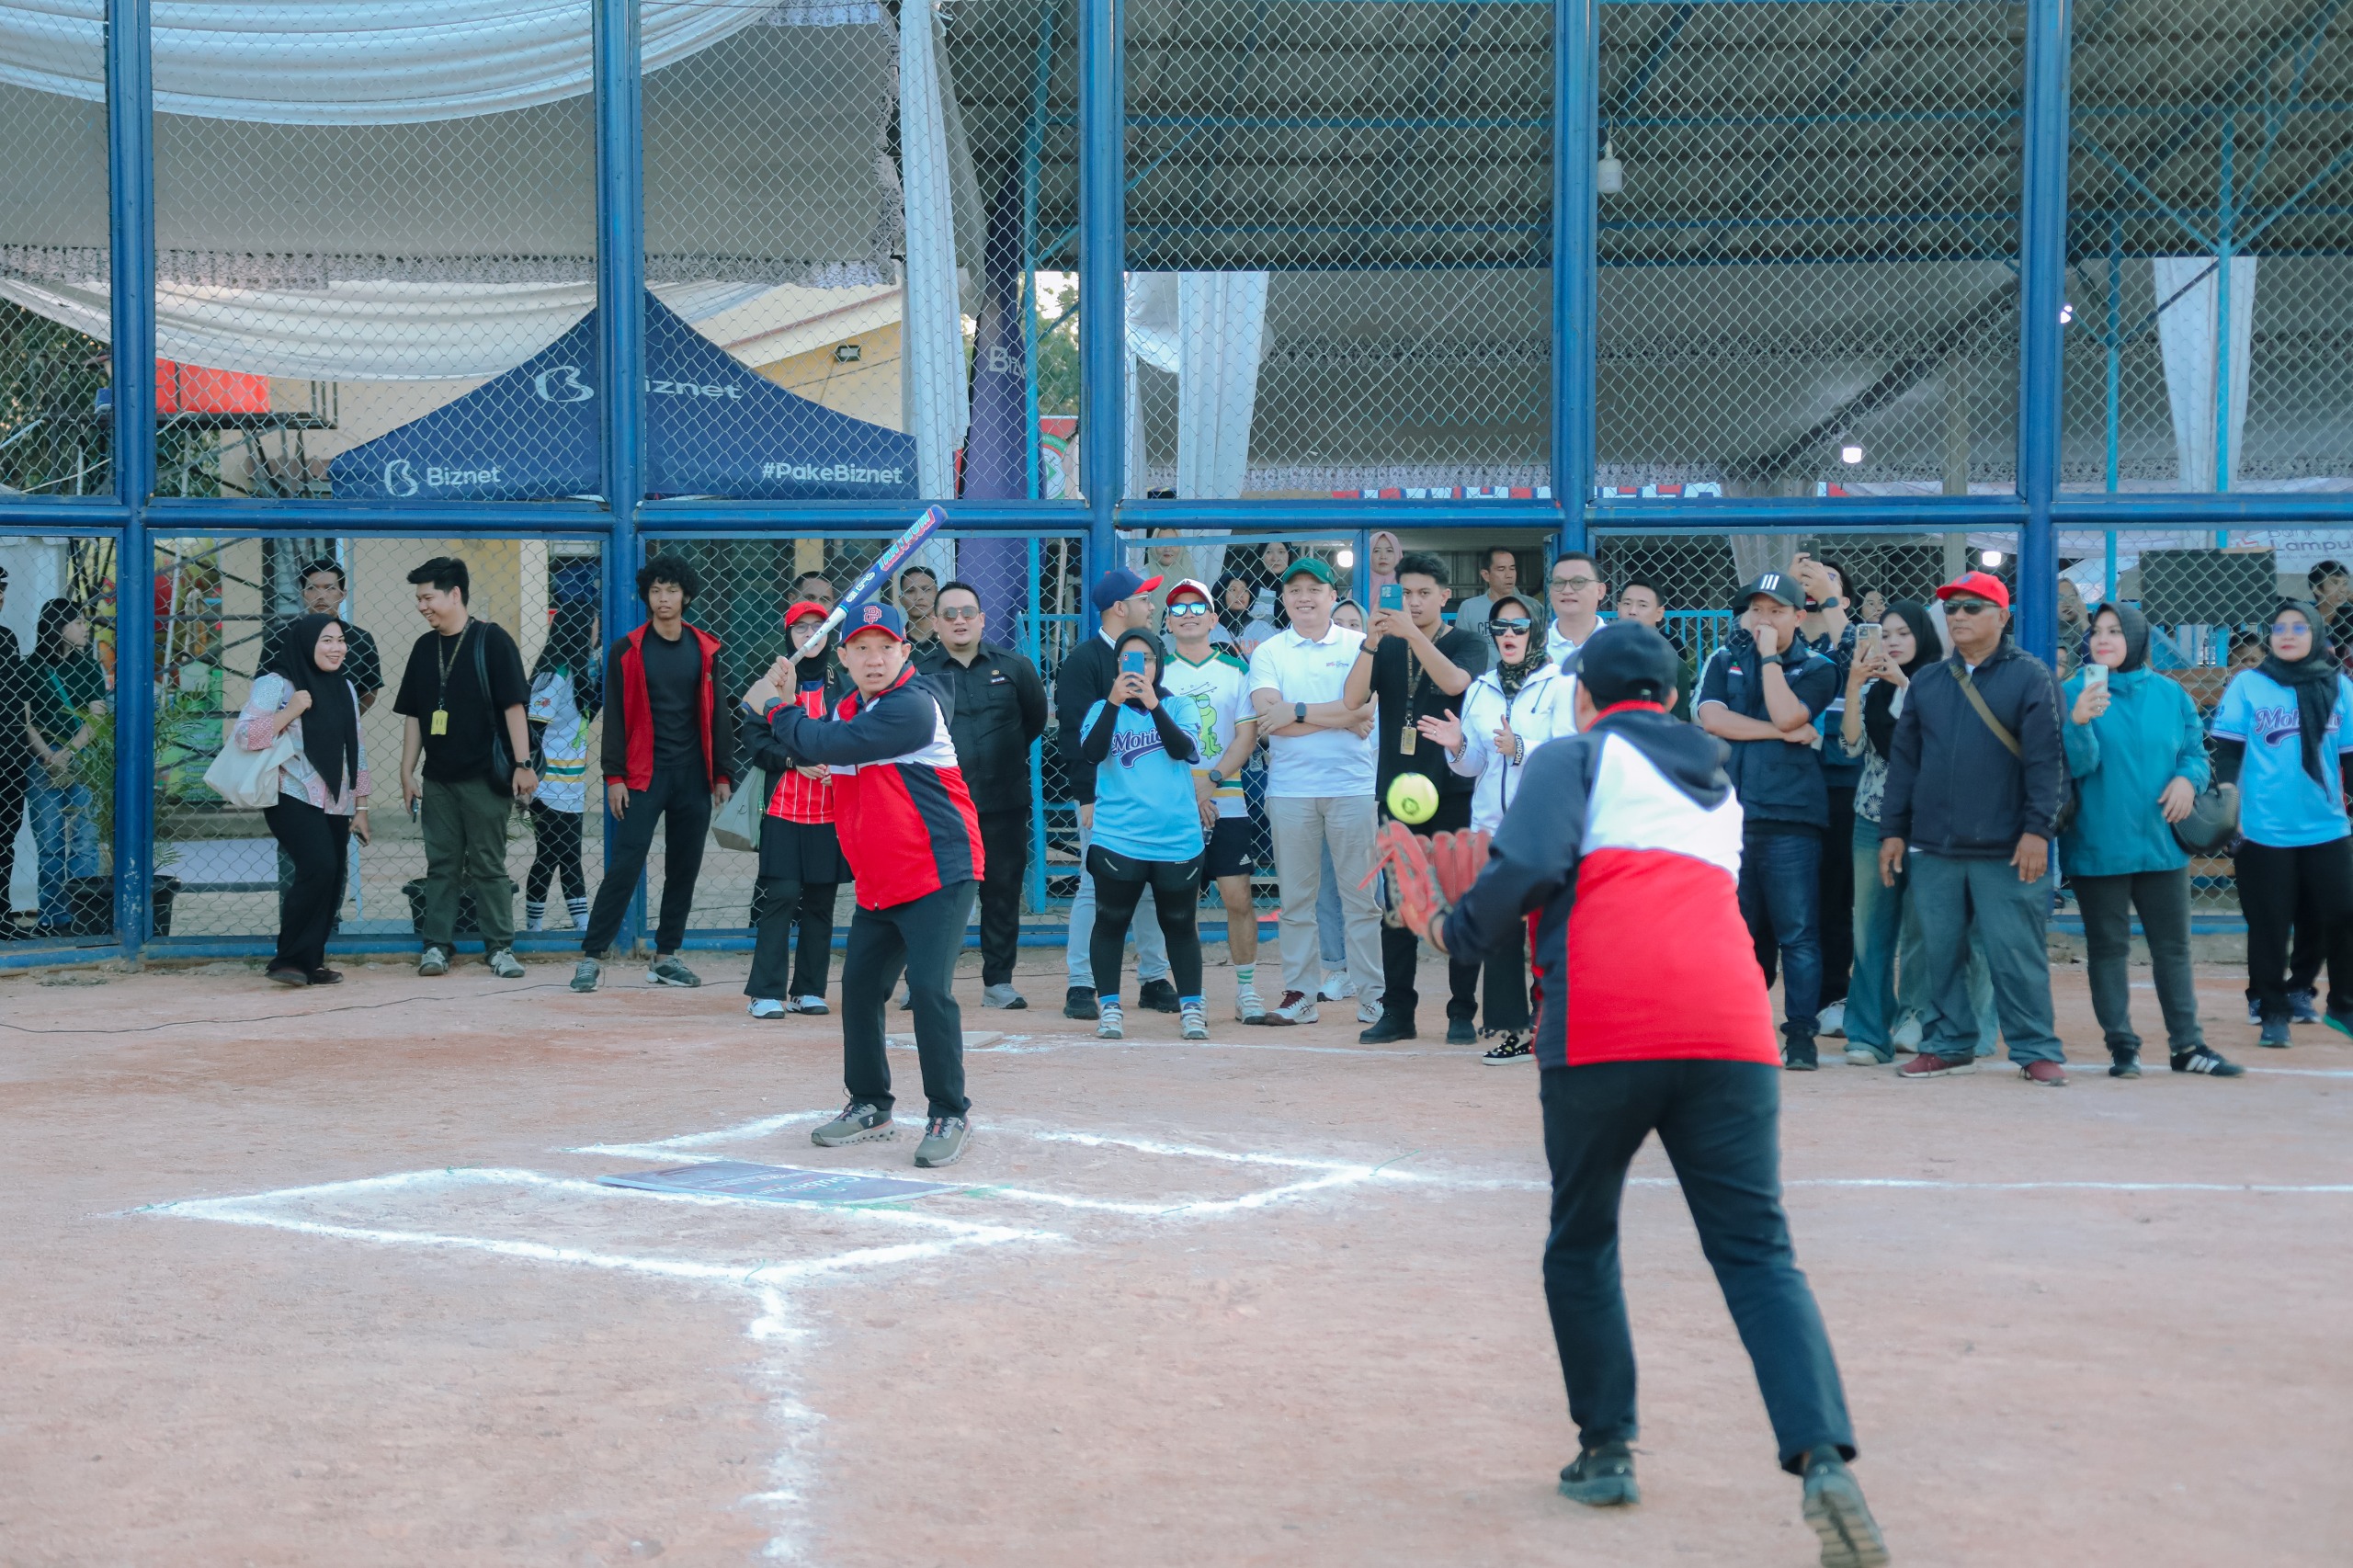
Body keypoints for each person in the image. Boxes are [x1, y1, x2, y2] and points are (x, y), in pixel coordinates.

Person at [1396, 622, 1886, 1566]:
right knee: (1758, 1253)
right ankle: (1823, 1457)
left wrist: (1452, 929)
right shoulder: (1717, 782)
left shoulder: (1572, 756)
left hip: (1606, 1022)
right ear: (1667, 696)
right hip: (1731, 1028)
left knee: (1582, 1238)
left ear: (1585, 695)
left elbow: (1532, 868)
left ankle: (1607, 1448)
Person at [750, 602, 983, 1171]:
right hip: (881, 878)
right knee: (858, 989)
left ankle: (949, 1112)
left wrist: (776, 706)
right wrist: (782, 703)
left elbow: (822, 744)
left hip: (938, 869)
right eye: (861, 648)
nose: (874, 659)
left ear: (905, 651)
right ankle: (871, 1104)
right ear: (845, 657)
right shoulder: (851, 707)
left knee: (928, 990)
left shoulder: (913, 705)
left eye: (885, 647)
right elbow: (813, 741)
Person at [1879, 570, 2070, 1085]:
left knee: (2016, 954)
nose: (1958, 616)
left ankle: (2035, 1049)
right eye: (1951, 608)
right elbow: (1905, 763)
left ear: (2002, 617)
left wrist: (2038, 831)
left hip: (2008, 848)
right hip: (1934, 846)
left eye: (1971, 607)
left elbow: (2049, 761)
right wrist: (1893, 830)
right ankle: (1947, 1044)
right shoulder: (1928, 681)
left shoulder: (2031, 677)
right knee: (1940, 954)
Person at [2061, 603, 2241, 1077]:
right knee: (2108, 949)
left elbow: (2195, 752)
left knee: (2173, 949)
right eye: (2096, 631)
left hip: (2163, 845)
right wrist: (2078, 722)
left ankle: (2188, 1047)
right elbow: (2076, 766)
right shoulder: (2073, 691)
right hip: (2099, 843)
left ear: (2137, 638)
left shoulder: (2169, 692)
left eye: (2115, 631)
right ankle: (2122, 1047)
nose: (2102, 639)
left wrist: (2187, 780)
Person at [1418, 590, 1574, 1062]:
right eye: (1500, 627)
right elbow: (1474, 767)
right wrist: (1457, 746)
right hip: (1491, 826)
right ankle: (1514, 1029)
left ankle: (1551, 1023)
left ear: (1536, 631)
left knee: (1547, 930)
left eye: (1518, 626)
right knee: (1501, 930)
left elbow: (1571, 749)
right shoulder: (1482, 688)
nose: (1508, 635)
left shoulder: (1560, 684)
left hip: (1543, 826)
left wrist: (1521, 747)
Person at [573, 555, 736, 993]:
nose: (664, 598)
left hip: (693, 776)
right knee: (625, 864)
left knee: (684, 867)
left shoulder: (705, 648)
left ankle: (666, 957)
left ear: (686, 596)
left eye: (672, 590)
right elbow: (614, 717)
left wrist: (722, 773)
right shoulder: (626, 650)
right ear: (647, 596)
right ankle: (591, 957)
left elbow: (719, 712)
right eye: (656, 590)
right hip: (643, 776)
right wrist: (614, 776)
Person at [1698, 573, 1839, 1070]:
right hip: (1732, 819)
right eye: (1756, 610)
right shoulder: (1723, 660)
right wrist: (1781, 735)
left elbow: (1787, 713)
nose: (1763, 620)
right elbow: (1713, 720)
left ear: (1799, 617)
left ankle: (1800, 1035)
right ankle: (1742, 1030)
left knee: (1797, 933)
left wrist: (1769, 659)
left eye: (1776, 611)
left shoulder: (1818, 667)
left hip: (1790, 818)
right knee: (1738, 935)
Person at [1345, 550, 1483, 1043]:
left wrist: (1413, 635)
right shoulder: (1385, 645)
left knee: (1458, 901)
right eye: (1405, 594)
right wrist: (1370, 642)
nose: (1414, 602)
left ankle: (1461, 1012)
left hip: (1453, 791)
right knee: (1399, 906)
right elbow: (1352, 701)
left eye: (1425, 593)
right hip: (1397, 794)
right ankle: (1398, 1012)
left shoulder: (1467, 642)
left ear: (1445, 597)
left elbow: (1455, 682)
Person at [2211, 599, 2353, 1046]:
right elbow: (2228, 750)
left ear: (2317, 634)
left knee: (2342, 913)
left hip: (2326, 825)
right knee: (2270, 924)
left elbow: (2349, 758)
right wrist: (2229, 798)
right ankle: (2272, 1009)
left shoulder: (2339, 687)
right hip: (2263, 827)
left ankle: (2342, 1004)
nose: (2287, 634)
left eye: (2298, 627)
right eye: (2279, 628)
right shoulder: (2249, 684)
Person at [1246, 556, 1381, 1025]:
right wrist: (1343, 715)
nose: (1304, 597)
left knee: (1361, 899)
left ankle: (1373, 995)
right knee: (1297, 902)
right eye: (1295, 590)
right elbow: (1270, 722)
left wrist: (1298, 711)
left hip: (1352, 787)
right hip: (1291, 791)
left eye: (1314, 589)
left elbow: (1367, 708)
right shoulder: (1269, 651)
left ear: (1332, 596)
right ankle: (1300, 994)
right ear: (1283, 599)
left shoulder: (1359, 644)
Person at [392, 557, 537, 977]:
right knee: (441, 866)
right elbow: (415, 715)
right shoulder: (424, 648)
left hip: (484, 777)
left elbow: (514, 706)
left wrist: (523, 764)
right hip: (438, 778)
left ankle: (500, 948)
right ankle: (436, 946)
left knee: (489, 865)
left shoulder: (492, 641)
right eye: (419, 599)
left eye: (428, 597)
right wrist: (407, 771)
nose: (422, 606)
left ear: (454, 594)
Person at [919, 580, 1049, 1010]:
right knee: (932, 894)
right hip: (939, 806)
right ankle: (924, 981)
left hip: (1003, 804)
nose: (959, 620)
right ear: (935, 623)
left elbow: (1034, 720)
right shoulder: (917, 674)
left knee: (1001, 892)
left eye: (968, 612)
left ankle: (998, 983)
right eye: (949, 614)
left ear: (982, 619)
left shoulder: (1015, 667)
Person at [1054, 566, 1177, 1019]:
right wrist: (1085, 795)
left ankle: (1154, 977)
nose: (1151, 605)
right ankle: (1082, 983)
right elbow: (1073, 735)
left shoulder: (1152, 652)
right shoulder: (1085, 660)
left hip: (1150, 796)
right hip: (1104, 796)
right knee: (1094, 886)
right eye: (1144, 599)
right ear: (1120, 608)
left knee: (1150, 885)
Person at [1078, 627, 1210, 1040]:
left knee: (1180, 923)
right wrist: (1114, 703)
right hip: (1119, 837)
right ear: (1117, 666)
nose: (1138, 668)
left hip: (1176, 837)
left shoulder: (1181, 704)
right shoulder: (1101, 708)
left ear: (1159, 664)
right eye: (1128, 660)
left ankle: (1192, 1008)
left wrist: (1153, 705)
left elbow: (1182, 749)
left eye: (1146, 659)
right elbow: (1092, 753)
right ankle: (1110, 1008)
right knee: (1110, 921)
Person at [234, 614, 369, 985]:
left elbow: (356, 748)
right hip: (290, 792)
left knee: (332, 877)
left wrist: (361, 806)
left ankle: (311, 961)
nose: (337, 648)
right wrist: (290, 711)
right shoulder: (275, 684)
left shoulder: (346, 687)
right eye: (327, 640)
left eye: (340, 641)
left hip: (335, 798)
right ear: (307, 644)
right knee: (319, 866)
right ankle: (288, 961)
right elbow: (244, 736)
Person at [1837, 601, 1940, 1064]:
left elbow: (1940, 741)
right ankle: (1866, 1032)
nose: (1894, 642)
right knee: (1870, 926)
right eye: (1887, 634)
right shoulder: (1871, 689)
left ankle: (1915, 1018)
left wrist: (1904, 684)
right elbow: (1851, 745)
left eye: (1904, 633)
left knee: (1922, 926)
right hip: (1873, 818)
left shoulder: (1938, 684)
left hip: (1927, 822)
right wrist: (1854, 685)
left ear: (1922, 637)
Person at [1160, 579, 1266, 1021]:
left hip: (1228, 798)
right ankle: (1192, 996)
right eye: (1178, 609)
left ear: (1213, 618)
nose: (1188, 615)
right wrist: (1191, 790)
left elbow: (1247, 736)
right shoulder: (1157, 672)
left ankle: (1247, 990)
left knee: (1237, 897)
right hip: (1173, 800)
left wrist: (1213, 780)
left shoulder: (1236, 670)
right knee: (1179, 905)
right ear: (1167, 622)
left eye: (1197, 607)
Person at [742, 601, 850, 1018]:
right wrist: (793, 761)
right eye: (800, 627)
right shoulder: (772, 682)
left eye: (818, 626)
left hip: (830, 811)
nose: (810, 635)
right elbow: (755, 742)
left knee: (820, 902)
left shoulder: (844, 685)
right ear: (788, 636)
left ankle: (808, 989)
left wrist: (839, 767)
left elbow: (857, 737)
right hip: (783, 809)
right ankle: (765, 992)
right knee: (782, 896)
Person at [1791, 553, 1861, 1038]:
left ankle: (1834, 995)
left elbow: (1860, 657)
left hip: (1840, 780)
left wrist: (1829, 598)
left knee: (1835, 896)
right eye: (1807, 578)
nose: (1815, 583)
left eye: (1829, 579)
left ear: (1845, 599)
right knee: (1788, 898)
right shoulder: (1781, 638)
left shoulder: (1854, 637)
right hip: (1788, 780)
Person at [23, 597, 108, 936]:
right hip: (41, 759)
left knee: (86, 839)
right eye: (78, 622)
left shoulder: (89, 666)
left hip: (83, 756)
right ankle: (54, 918)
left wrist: (68, 752)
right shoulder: (30, 666)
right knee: (50, 843)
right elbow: (25, 720)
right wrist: (48, 756)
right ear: (57, 627)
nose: (85, 628)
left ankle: (83, 915)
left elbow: (97, 715)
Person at [523, 600, 601, 933]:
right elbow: (532, 728)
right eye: (594, 626)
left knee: (568, 854)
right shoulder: (555, 674)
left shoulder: (580, 671)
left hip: (571, 781)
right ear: (581, 629)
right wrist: (527, 778)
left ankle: (581, 926)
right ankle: (536, 928)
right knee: (551, 854)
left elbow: (584, 717)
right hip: (546, 782)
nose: (598, 632)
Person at [257, 557, 383, 712]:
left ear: (342, 594)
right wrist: (284, 719)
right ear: (303, 594)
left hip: (340, 723)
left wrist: (348, 718)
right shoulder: (280, 635)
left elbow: (369, 691)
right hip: (288, 722)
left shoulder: (360, 639)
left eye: (330, 588)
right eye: (312, 588)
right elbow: (262, 688)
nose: (321, 595)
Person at [0, 566, 32, 936]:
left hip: (10, 757)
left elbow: (16, 701)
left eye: (2, 588)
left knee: (5, 839)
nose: (0, 596)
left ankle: (3, 917)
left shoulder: (6, 638)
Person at [1613, 577, 1693, 717]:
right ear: (1619, 608)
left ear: (1659, 613)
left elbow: (1679, 720)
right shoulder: (1600, 656)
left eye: (1642, 605)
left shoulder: (1674, 666)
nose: (1632, 611)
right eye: (1627, 603)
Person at [1544, 551, 1606, 665]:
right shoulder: (1531, 647)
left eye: (1578, 582)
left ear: (1600, 591)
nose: (1567, 590)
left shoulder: (1619, 645)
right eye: (1559, 582)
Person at [1451, 545, 1523, 639]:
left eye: (1512, 569)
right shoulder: (1469, 608)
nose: (1509, 575)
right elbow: (1460, 644)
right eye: (1501, 569)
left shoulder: (1532, 607)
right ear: (1486, 575)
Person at [893, 564, 942, 661]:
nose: (919, 597)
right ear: (901, 600)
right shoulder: (894, 642)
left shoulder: (951, 638)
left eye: (926, 590)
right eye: (911, 591)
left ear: (938, 595)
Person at [1362, 530, 1403, 599]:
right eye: (1376, 551)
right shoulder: (1358, 590)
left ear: (1398, 554)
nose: (1383, 556)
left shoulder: (1408, 587)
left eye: (1389, 551)